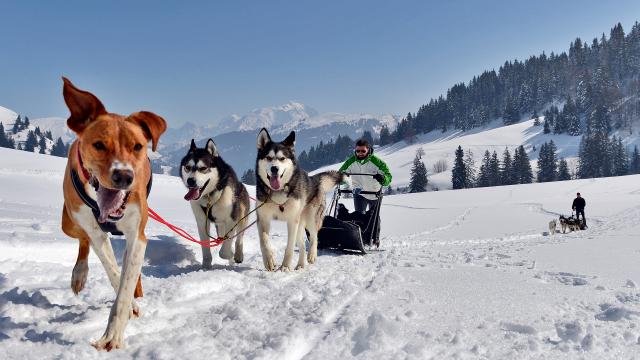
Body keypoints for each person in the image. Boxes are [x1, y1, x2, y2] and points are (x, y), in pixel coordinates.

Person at [339, 139, 392, 214]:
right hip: (359, 194)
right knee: (359, 217)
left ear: (368, 150)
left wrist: (383, 179)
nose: (360, 153)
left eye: (363, 151)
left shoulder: (377, 162)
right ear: (355, 150)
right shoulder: (350, 162)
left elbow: (388, 177)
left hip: (374, 194)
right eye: (358, 151)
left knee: (373, 218)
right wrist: (342, 178)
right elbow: (338, 176)